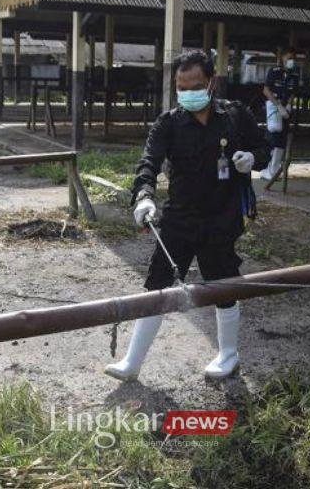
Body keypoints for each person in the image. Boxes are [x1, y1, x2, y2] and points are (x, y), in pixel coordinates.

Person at [104, 50, 268, 381]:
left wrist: (252, 158)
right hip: (179, 218)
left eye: (195, 85)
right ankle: (132, 363)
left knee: (223, 283)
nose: (188, 92)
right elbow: (148, 162)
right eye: (181, 86)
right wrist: (145, 197)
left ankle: (228, 353)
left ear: (210, 83)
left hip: (222, 218)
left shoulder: (235, 116)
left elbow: (264, 149)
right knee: (157, 285)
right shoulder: (168, 123)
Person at [259, 47, 299, 181]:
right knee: (274, 133)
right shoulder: (274, 72)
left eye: (293, 59)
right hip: (274, 107)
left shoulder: (295, 75)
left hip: (285, 109)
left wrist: (289, 104)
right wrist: (278, 105)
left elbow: (293, 92)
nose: (291, 61)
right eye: (289, 58)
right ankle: (269, 169)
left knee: (282, 138)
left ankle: (274, 170)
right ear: (282, 59)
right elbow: (266, 90)